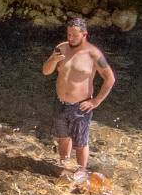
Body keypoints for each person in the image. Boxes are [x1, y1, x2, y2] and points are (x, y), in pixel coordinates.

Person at [40, 18, 115, 184]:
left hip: (80, 106)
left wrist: (96, 101)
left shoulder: (94, 54)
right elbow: (46, 71)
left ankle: (81, 169)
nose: (71, 38)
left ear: (84, 34)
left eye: (74, 35)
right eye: (68, 34)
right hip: (60, 102)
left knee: (81, 142)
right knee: (62, 137)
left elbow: (110, 78)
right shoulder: (61, 48)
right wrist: (53, 60)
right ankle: (63, 163)